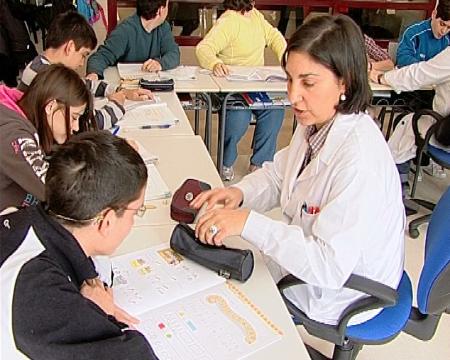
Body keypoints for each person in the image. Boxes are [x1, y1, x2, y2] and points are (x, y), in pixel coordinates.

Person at [192, 14, 405, 326]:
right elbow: (281, 174)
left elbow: (328, 266)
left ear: (344, 81)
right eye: (289, 79)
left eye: (308, 82)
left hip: (343, 291)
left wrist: (249, 223)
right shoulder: (318, 120)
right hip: (314, 264)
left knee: (224, 308)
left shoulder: (359, 161)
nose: (292, 95)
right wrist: (239, 193)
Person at [0, 130, 158, 359]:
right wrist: (99, 314)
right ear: (106, 221)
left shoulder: (22, 218)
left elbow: (93, 263)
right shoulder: (43, 297)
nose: (134, 220)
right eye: (137, 211)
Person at [196, 0, 287, 181]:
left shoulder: (256, 16)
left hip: (255, 85)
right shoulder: (228, 21)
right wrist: (215, 63)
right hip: (232, 88)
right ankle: (226, 162)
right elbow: (203, 48)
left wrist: (287, 58)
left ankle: (260, 164)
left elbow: (275, 37)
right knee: (239, 116)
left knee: (275, 110)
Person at [19, 11, 153, 130]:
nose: (82, 63)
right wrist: (117, 104)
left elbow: (85, 84)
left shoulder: (40, 65)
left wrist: (122, 91)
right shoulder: (46, 79)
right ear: (70, 47)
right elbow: (87, 125)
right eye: (83, 55)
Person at [0, 64, 93, 211]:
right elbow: (61, 193)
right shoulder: (15, 136)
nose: (75, 127)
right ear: (50, 107)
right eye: (74, 117)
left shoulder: (25, 110)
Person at [370, 47, 450, 189]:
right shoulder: (416, 34)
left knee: (407, 124)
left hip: (444, 134)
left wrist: (382, 78)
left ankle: (393, 189)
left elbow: (419, 75)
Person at [87, 0, 180, 80]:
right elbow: (100, 57)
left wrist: (160, 63)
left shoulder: (164, 27)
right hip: (125, 87)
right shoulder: (124, 31)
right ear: (160, 11)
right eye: (167, 5)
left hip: (151, 86)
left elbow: (174, 53)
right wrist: (93, 74)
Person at [396, 0, 450, 68]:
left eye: (449, 27)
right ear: (434, 14)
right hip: (413, 76)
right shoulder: (413, 33)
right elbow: (402, 59)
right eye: (442, 24)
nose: (444, 31)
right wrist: (428, 68)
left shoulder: (448, 37)